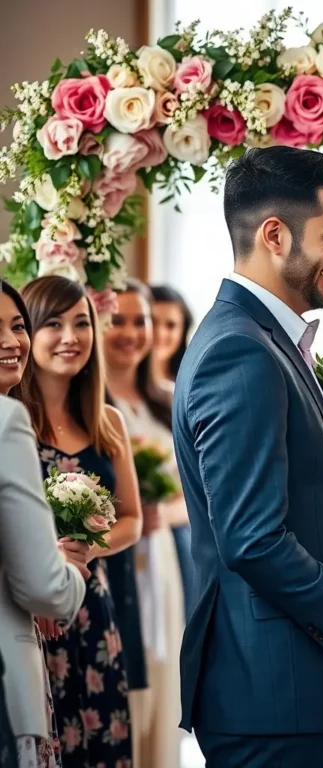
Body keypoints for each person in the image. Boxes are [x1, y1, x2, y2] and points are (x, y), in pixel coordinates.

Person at [173, 146, 323, 767]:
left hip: (275, 684)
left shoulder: (261, 338)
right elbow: (251, 539)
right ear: (275, 236)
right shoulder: (240, 351)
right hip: (265, 686)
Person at [15, 276, 142, 768]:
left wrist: (91, 545)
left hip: (96, 607)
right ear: (27, 333)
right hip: (32, 607)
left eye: (81, 323)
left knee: (101, 743)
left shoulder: (107, 421)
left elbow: (131, 519)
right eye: (53, 324)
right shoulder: (11, 421)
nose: (71, 337)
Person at [0, 280, 90, 768]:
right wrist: (71, 570)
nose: (12, 341)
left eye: (17, 326)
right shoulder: (6, 421)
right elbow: (45, 589)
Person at [104, 279, 184, 768]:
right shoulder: (92, 404)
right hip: (114, 556)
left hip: (162, 557)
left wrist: (160, 514)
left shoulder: (168, 399)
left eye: (142, 321)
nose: (132, 332)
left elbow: (197, 496)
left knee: (164, 672)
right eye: (119, 320)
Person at [149, 284, 194, 620]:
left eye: (171, 325)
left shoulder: (187, 390)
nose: (160, 334)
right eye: (152, 321)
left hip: (181, 522)